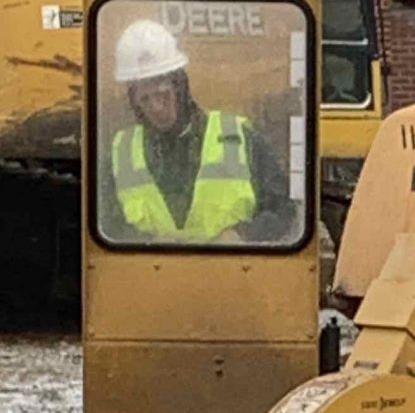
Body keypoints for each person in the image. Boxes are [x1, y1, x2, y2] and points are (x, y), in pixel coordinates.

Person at [102, 18, 295, 244]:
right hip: (150, 275)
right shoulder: (121, 153)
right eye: (145, 100)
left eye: (163, 95)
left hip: (231, 273)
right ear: (134, 102)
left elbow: (283, 210)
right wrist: (145, 241)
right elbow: (108, 223)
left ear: (179, 87)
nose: (156, 108)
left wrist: (243, 235)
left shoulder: (239, 137)